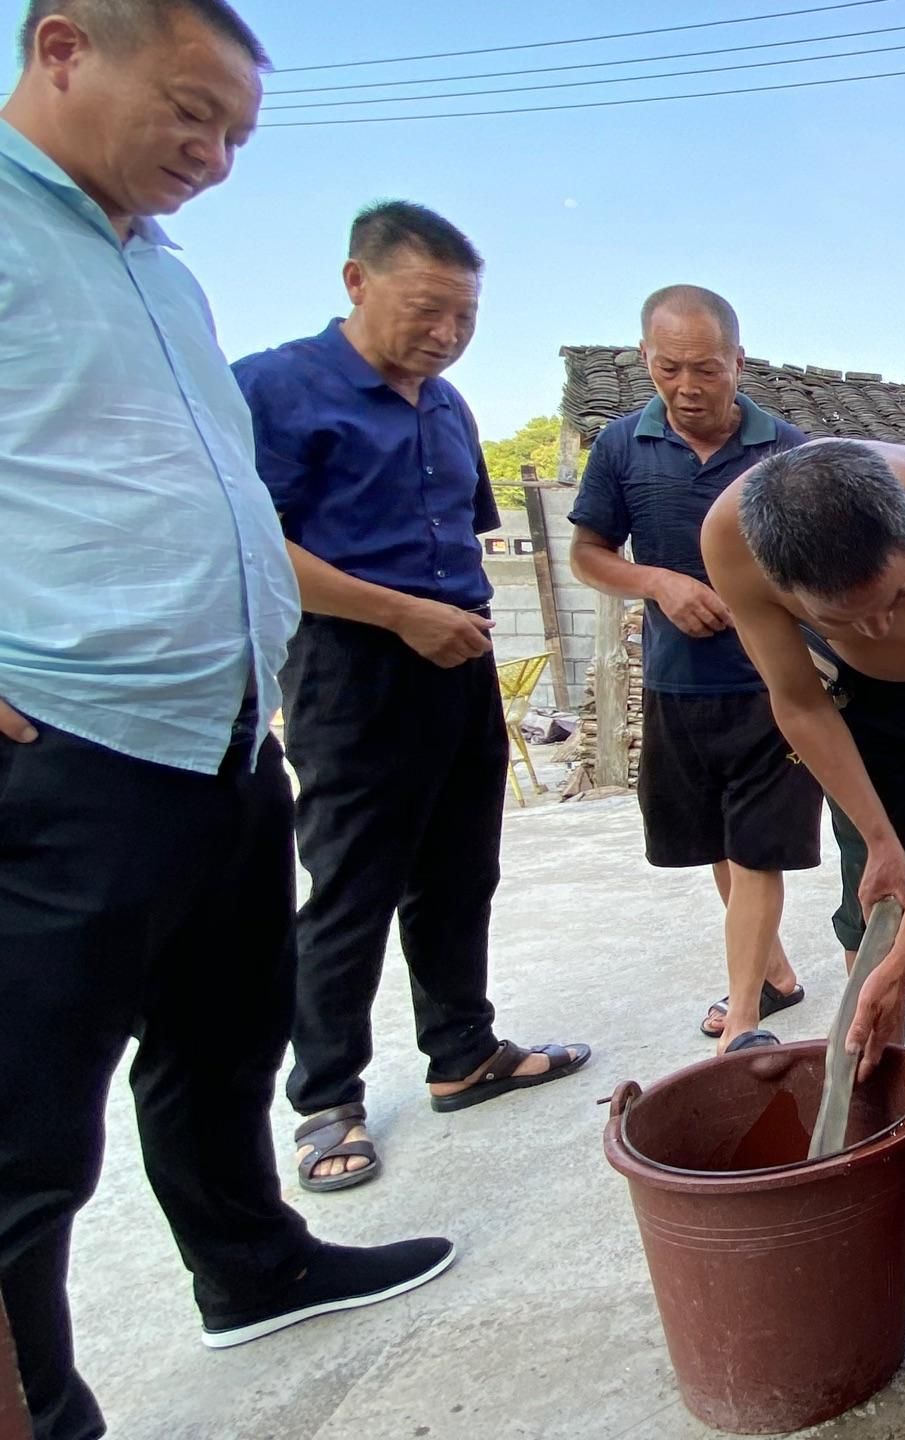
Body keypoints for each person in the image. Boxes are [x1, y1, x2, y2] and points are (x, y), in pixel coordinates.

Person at [0, 4, 455, 1434]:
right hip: (68, 738)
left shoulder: (161, 273)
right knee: (28, 1123)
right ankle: (37, 1406)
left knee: (218, 1036)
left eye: (237, 135)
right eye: (192, 114)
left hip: (217, 728)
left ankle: (250, 1266)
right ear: (66, 46)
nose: (213, 156)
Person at [233, 201, 590, 1193]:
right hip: (352, 668)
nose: (444, 335)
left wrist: (444, 625)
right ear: (357, 282)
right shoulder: (273, 388)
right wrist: (397, 616)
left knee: (461, 870)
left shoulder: (448, 406)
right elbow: (253, 548)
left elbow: (462, 537)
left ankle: (462, 1053)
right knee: (352, 883)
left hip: (456, 658)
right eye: (426, 310)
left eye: (463, 319)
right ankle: (325, 1099)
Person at [700, 439, 905, 1077]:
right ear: (779, 582)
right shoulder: (731, 540)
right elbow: (799, 701)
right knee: (873, 880)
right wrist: (880, 839)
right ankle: (881, 1080)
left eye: (899, 596)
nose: (879, 629)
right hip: (851, 699)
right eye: (841, 620)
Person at [568, 285, 820, 1049]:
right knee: (715, 842)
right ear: (646, 358)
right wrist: (658, 582)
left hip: (772, 687)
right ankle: (772, 975)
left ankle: (742, 1019)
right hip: (677, 682)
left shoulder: (788, 450)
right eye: (670, 367)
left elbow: (821, 565)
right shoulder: (619, 447)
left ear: (739, 362)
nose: (688, 386)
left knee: (756, 850)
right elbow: (587, 554)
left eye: (706, 368)